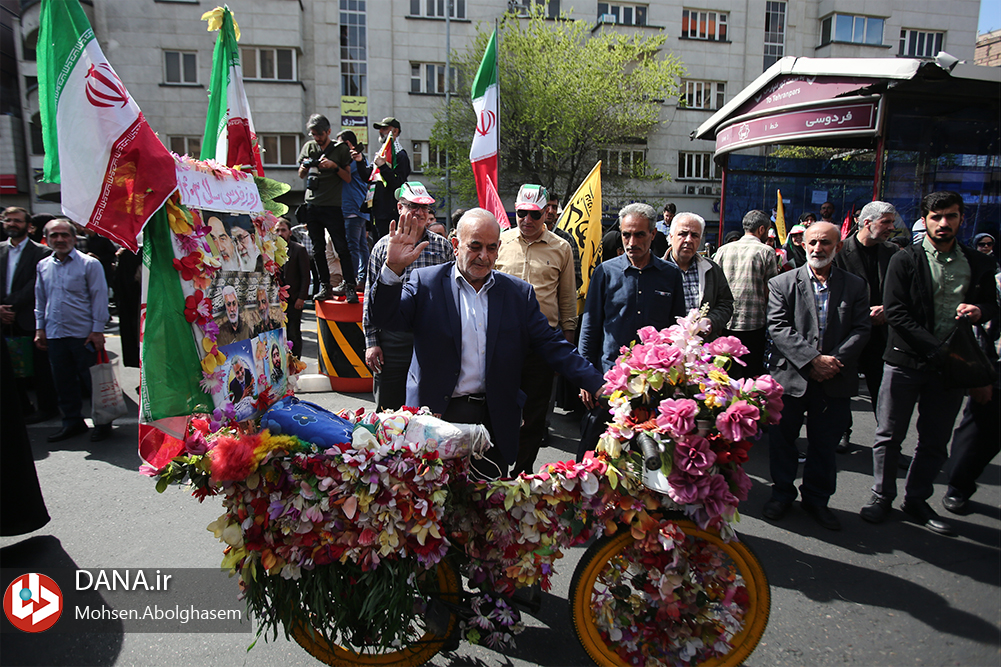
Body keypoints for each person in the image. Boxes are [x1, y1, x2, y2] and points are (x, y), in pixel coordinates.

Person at [368, 208, 604, 476]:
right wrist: (393, 270)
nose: (484, 256)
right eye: (476, 246)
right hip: (436, 416)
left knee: (488, 505)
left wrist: (597, 384)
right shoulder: (426, 283)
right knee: (434, 506)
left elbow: (552, 345)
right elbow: (385, 318)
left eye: (492, 248)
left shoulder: (518, 294)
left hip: (493, 417)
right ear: (456, 246)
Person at [860, 191, 998, 536]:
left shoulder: (976, 262)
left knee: (935, 439)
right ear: (925, 220)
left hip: (950, 369)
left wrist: (980, 311)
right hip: (905, 362)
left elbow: (992, 305)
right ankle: (881, 496)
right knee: (889, 435)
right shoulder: (905, 259)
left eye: (950, 216)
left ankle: (917, 499)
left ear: (960, 219)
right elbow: (896, 313)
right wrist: (937, 350)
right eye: (936, 217)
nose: (943, 224)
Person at [762, 222, 871, 531]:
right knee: (783, 443)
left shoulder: (855, 285)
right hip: (793, 378)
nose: (817, 248)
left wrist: (833, 362)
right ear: (804, 244)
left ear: (837, 247)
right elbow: (778, 327)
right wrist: (812, 360)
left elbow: (862, 329)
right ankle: (781, 494)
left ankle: (816, 500)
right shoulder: (782, 283)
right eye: (812, 242)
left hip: (835, 379)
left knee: (824, 445)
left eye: (825, 243)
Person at [578, 203, 686, 457]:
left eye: (639, 234)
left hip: (654, 384)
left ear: (653, 235)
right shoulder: (605, 272)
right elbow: (590, 326)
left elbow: (676, 329)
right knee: (598, 454)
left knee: (646, 455)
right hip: (609, 381)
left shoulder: (670, 275)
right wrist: (585, 376)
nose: (631, 241)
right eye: (626, 234)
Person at [495, 184, 577, 475]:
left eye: (534, 214)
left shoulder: (561, 248)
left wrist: (565, 345)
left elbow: (567, 298)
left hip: (542, 345)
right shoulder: (499, 243)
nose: (527, 220)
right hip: (501, 344)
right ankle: (495, 471)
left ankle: (524, 473)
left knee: (534, 416)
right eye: (521, 214)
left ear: (546, 214)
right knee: (498, 410)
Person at [363, 182, 453, 411]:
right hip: (393, 338)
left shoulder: (442, 247)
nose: (420, 213)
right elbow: (370, 297)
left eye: (425, 207)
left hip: (431, 336)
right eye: (413, 206)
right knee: (389, 409)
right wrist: (372, 342)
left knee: (428, 406)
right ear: (399, 208)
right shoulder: (383, 247)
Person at [33, 219, 112, 442]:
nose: (60, 240)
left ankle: (103, 422)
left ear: (74, 237)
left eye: (64, 235)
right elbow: (40, 299)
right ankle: (72, 422)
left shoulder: (89, 264)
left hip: (84, 335)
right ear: (47, 239)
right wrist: (40, 328)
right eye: (54, 236)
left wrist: (97, 330)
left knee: (93, 382)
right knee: (63, 382)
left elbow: (99, 298)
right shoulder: (43, 266)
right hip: (55, 333)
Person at [832, 201, 899, 452]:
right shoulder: (840, 251)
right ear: (867, 222)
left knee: (883, 390)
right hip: (847, 332)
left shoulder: (893, 252)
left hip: (881, 334)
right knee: (842, 386)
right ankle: (842, 432)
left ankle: (888, 443)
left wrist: (887, 311)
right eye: (886, 222)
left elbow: (904, 293)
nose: (891, 228)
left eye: (892, 222)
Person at [942, 272, 999, 514]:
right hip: (994, 368)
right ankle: (959, 486)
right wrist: (978, 375)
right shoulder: (995, 283)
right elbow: (977, 329)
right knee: (980, 433)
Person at [2, 207, 58, 423]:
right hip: (3, 318)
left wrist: (8, 305)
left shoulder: (41, 253)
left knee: (40, 368)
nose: (12, 224)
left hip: (29, 317)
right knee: (10, 368)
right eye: (8, 220)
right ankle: (21, 407)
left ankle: (47, 407)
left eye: (17, 220)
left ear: (29, 226)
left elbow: (35, 286)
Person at [298, 114, 357, 303]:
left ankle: (350, 287)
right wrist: (306, 166)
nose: (316, 138)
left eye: (319, 134)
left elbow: (347, 177)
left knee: (342, 247)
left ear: (328, 132)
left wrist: (333, 166)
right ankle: (325, 286)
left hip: (332, 206)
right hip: (312, 204)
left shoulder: (340, 149)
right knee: (317, 249)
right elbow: (300, 174)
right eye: (313, 134)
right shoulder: (309, 147)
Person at [712, 210, 780, 378]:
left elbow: (714, 285)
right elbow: (771, 291)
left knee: (724, 375)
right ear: (762, 229)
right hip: (754, 324)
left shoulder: (722, 250)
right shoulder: (766, 252)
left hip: (725, 322)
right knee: (751, 376)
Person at [663, 212, 734, 342]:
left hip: (702, 349)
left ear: (700, 240)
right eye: (683, 234)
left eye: (694, 235)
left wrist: (710, 321)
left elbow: (726, 304)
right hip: (666, 350)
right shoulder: (656, 271)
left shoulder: (712, 269)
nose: (688, 240)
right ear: (671, 236)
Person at [338, 130, 371, 285]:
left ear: (348, 144)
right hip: (357, 208)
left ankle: (351, 281)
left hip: (353, 208)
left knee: (352, 247)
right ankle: (362, 277)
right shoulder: (358, 160)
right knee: (361, 246)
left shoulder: (353, 160)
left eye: (341, 145)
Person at [370, 117, 412, 241]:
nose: (381, 131)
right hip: (378, 210)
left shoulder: (400, 155)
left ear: (395, 131)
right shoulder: (382, 153)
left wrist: (383, 166)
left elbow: (398, 183)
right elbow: (370, 176)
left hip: (390, 212)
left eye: (385, 128)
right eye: (380, 129)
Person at [275, 217, 310, 357]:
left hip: (293, 299)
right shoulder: (270, 250)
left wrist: (301, 298)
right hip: (276, 302)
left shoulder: (298, 250)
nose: (280, 233)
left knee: (293, 333)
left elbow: (305, 276)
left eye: (283, 230)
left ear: (290, 232)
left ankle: (296, 362)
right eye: (277, 230)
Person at [544, 193, 582, 291]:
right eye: (547, 206)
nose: (551, 211)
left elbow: (575, 278)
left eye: (554, 207)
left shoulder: (566, 239)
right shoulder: (526, 238)